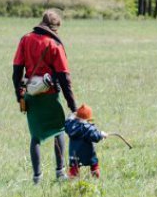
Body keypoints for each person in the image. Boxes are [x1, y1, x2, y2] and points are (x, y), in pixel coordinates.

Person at [13, 10, 77, 184]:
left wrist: (19, 96)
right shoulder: (54, 44)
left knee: (36, 136)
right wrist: (72, 105)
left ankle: (37, 177)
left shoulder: (25, 39)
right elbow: (64, 77)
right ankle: (60, 172)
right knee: (59, 130)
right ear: (55, 28)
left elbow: (17, 70)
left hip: (31, 95)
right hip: (50, 95)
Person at [64, 104, 105, 179]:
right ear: (88, 119)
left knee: (74, 167)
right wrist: (101, 135)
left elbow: (66, 123)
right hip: (88, 154)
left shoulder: (70, 126)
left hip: (74, 154)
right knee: (94, 164)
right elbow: (95, 136)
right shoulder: (88, 128)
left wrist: (70, 117)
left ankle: (72, 178)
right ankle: (96, 176)